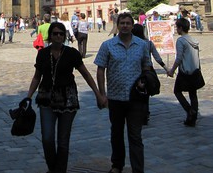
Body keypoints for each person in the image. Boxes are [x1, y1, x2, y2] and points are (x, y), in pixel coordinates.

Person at [26, 20, 102, 173]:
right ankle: (53, 168)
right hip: (46, 98)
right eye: (55, 34)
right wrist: (28, 97)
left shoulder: (72, 53)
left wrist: (98, 94)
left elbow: (86, 74)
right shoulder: (42, 54)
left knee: (63, 140)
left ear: (64, 36)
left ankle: (59, 170)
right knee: (47, 138)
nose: (58, 36)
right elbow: (36, 77)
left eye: (61, 33)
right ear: (50, 36)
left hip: (68, 99)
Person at [95, 12, 152, 173]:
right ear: (117, 26)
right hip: (115, 97)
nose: (125, 26)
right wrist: (102, 94)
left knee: (135, 136)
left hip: (136, 98)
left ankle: (138, 168)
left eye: (128, 23)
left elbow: (146, 66)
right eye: (122, 23)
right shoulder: (108, 45)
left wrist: (144, 81)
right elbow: (100, 69)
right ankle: (117, 165)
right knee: (116, 133)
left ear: (132, 26)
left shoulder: (141, 45)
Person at [167, 18, 201, 127]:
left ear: (181, 28)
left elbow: (179, 58)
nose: (176, 29)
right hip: (195, 70)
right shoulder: (193, 40)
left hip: (184, 71)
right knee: (193, 94)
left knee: (177, 91)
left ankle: (189, 110)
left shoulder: (181, 40)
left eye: (177, 27)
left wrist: (172, 70)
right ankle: (192, 119)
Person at [131, 24, 165, 126]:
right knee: (146, 95)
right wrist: (166, 68)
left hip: (137, 71)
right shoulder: (149, 43)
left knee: (136, 93)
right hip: (148, 71)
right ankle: (145, 115)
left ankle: (138, 114)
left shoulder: (132, 44)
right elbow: (157, 58)